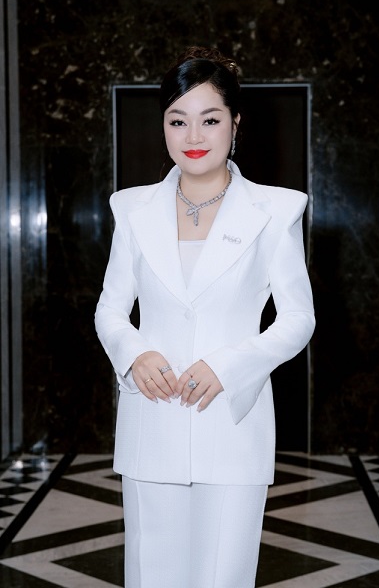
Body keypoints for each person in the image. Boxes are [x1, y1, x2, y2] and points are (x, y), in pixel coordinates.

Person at [95, 46, 315, 588]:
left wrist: (229, 366)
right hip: (153, 414)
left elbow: (298, 319)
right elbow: (110, 309)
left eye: (210, 120)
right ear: (164, 127)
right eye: (178, 120)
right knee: (152, 574)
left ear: (235, 124)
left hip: (232, 421)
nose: (193, 136)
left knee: (224, 575)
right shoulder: (132, 208)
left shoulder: (275, 210)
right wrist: (133, 353)